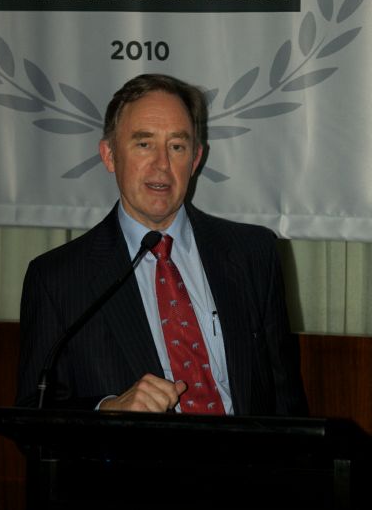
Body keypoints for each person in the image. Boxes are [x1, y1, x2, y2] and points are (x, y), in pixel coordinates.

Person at [16, 73, 308, 416]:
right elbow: (33, 414)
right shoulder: (57, 279)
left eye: (177, 146)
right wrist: (107, 410)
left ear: (195, 159)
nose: (162, 165)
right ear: (109, 155)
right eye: (144, 144)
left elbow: (287, 404)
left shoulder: (253, 254)